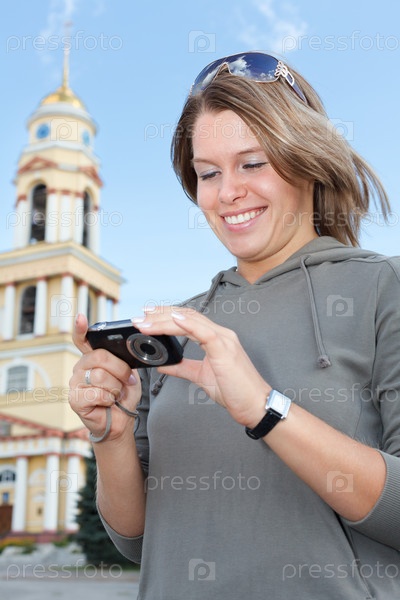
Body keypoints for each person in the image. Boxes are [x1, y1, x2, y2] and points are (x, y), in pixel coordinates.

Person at [69, 52, 400, 599]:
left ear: (308, 160)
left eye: (252, 163)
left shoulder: (383, 288)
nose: (227, 193)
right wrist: (112, 434)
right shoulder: (175, 329)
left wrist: (266, 410)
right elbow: (137, 539)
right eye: (208, 173)